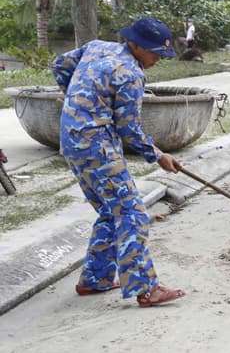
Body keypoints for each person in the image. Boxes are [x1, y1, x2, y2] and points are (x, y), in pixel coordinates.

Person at [51, 17, 185, 307]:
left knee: (111, 212)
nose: (157, 59)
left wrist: (75, 101)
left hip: (72, 141)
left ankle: (95, 279)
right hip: (96, 148)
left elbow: (59, 65)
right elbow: (129, 130)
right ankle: (145, 288)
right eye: (154, 53)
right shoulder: (131, 74)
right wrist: (159, 156)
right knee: (132, 212)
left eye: (161, 54)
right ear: (135, 44)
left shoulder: (97, 47)